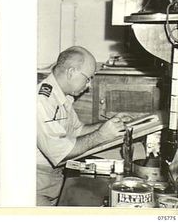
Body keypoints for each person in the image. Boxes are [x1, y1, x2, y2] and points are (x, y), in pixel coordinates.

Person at [37, 46, 131, 206]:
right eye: (88, 78)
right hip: (34, 186)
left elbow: (77, 130)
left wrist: (108, 125)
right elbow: (59, 152)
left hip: (53, 180)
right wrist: (101, 135)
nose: (89, 85)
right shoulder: (42, 101)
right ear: (71, 72)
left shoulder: (61, 96)